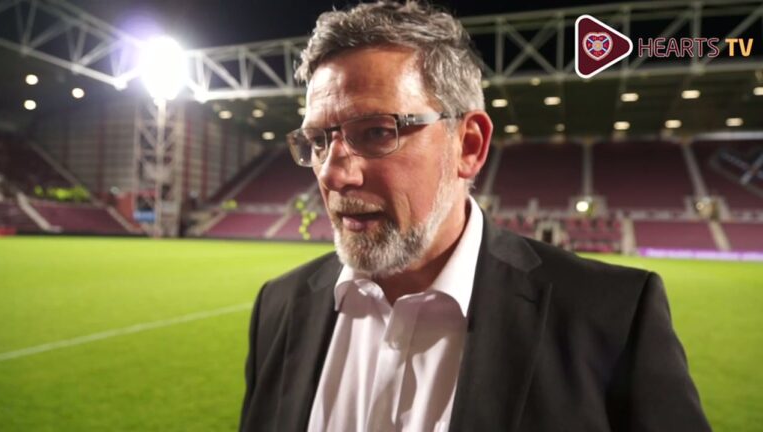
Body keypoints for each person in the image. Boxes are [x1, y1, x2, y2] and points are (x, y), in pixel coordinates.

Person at [239, 2, 711, 431]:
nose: (332, 173)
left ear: (468, 146)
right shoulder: (278, 307)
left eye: (377, 132)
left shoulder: (611, 319)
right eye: (318, 140)